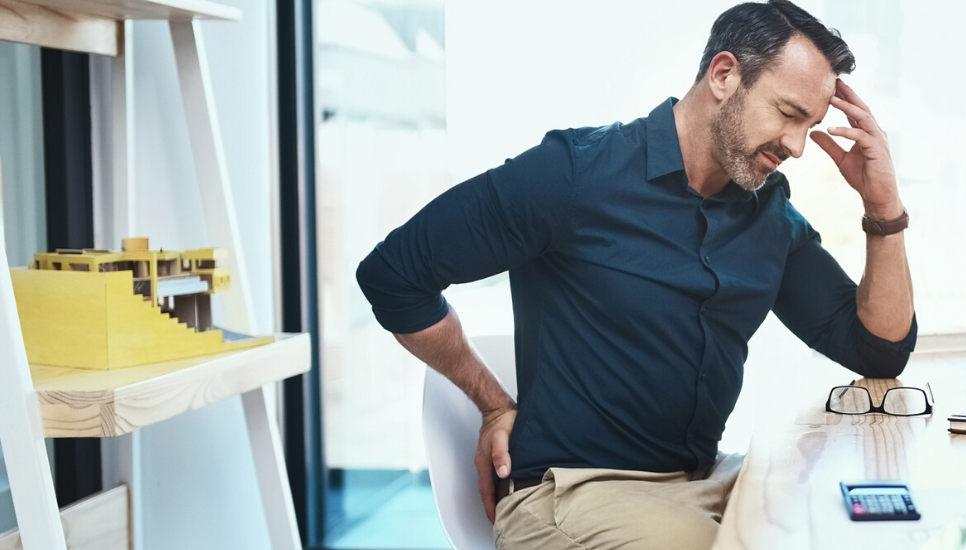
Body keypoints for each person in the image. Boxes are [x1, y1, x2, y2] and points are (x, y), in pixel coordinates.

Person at [354, 3, 916, 549]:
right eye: (789, 114)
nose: (796, 147)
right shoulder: (574, 174)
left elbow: (877, 350)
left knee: (834, 520)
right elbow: (394, 275)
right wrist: (494, 402)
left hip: (702, 482)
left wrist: (883, 207)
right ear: (724, 74)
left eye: (810, 126)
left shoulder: (768, 217)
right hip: (576, 495)